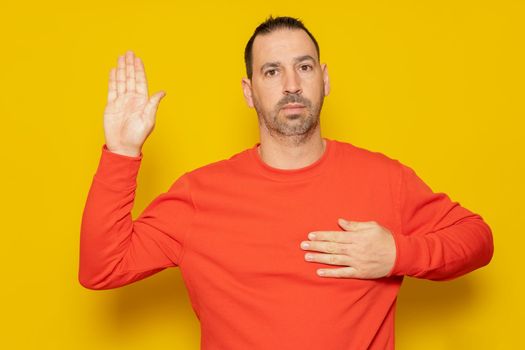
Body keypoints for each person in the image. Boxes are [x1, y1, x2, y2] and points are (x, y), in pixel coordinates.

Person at [79, 16, 494, 349]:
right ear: (249, 91)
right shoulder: (198, 195)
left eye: (304, 67)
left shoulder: (384, 179)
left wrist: (399, 253)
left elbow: (477, 239)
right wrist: (121, 151)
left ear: (324, 79)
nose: (291, 85)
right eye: (272, 71)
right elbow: (102, 268)